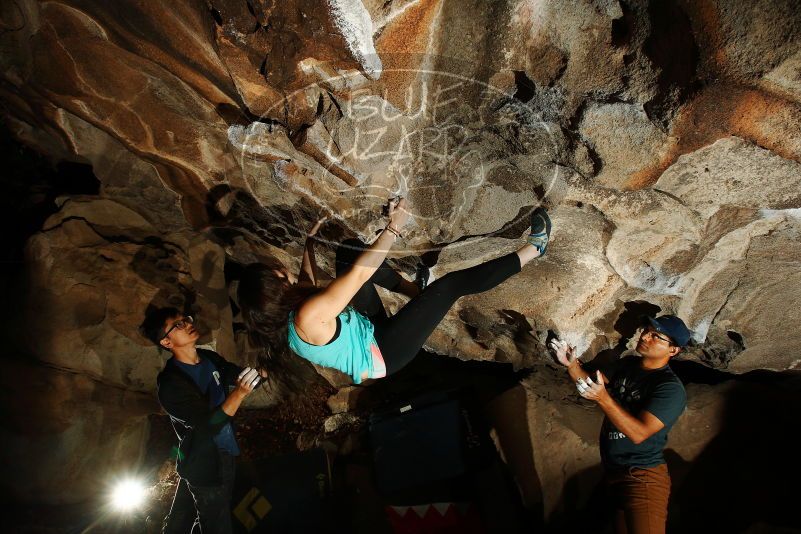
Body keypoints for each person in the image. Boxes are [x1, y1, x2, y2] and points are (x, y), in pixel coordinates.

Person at [238, 197, 552, 385]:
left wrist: (309, 243)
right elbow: (361, 274)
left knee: (347, 252)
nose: (282, 271)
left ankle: (415, 290)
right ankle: (535, 249)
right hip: (385, 351)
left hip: (366, 330)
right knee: (451, 285)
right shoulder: (307, 317)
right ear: (275, 287)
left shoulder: (290, 316)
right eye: (276, 273)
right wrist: (394, 226)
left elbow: (306, 284)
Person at [550, 315, 691, 534]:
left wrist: (604, 399)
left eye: (657, 336)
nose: (646, 336)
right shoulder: (628, 365)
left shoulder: (669, 389)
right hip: (615, 474)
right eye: (647, 330)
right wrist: (571, 364)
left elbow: (639, 433)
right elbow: (591, 384)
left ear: (673, 350)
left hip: (642, 478)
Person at [141, 307, 263, 533]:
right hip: (205, 462)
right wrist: (239, 393)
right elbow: (208, 426)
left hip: (221, 453)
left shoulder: (208, 358)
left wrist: (260, 374)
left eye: (185, 319)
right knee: (216, 524)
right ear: (166, 342)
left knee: (206, 516)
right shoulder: (170, 384)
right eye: (178, 325)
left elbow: (235, 373)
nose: (188, 323)